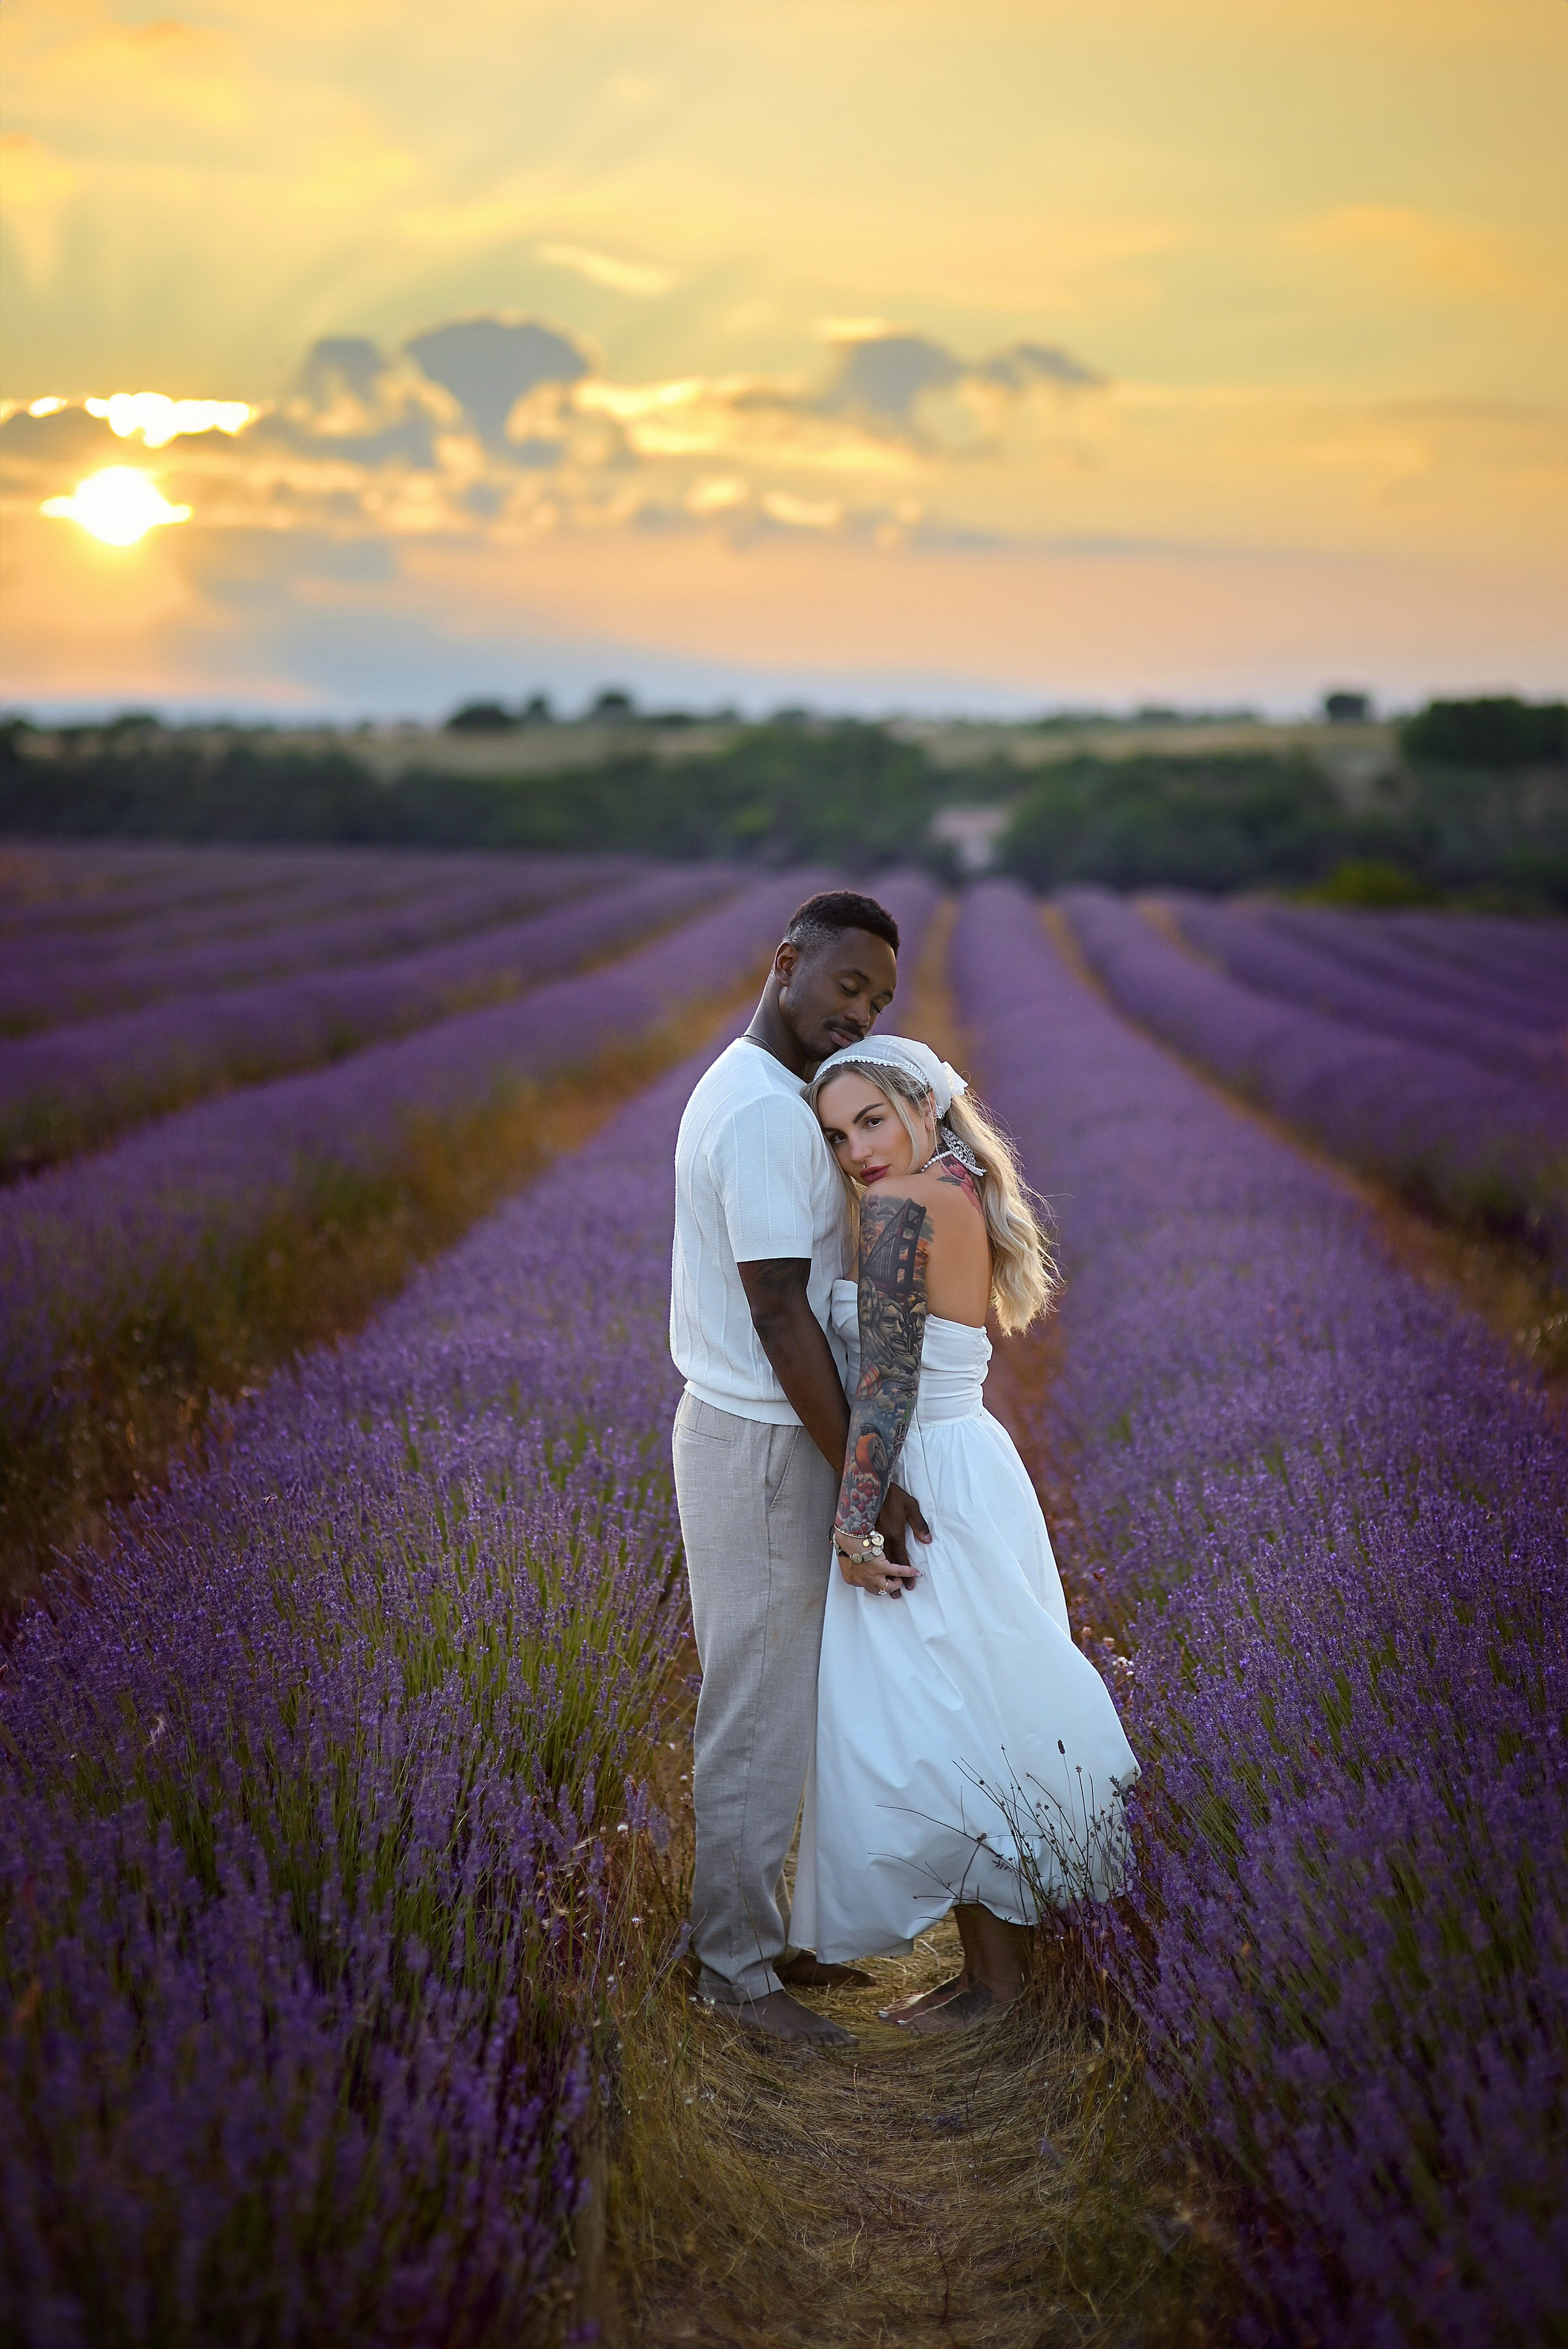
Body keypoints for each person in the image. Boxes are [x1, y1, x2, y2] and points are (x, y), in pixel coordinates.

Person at [792, 1036, 1139, 2032]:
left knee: (943, 1721)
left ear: (922, 1105)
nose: (857, 1151)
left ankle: (995, 1990)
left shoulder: (902, 1207)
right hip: (977, 1466)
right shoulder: (961, 1179)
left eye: (871, 1120)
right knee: (971, 1714)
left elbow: (888, 1386)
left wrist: (856, 1524)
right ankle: (990, 1976)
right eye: (837, 1135)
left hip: (931, 1477)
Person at [669, 891, 932, 2047]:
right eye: (846, 986)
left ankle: (750, 1936)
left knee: (776, 1699)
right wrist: (863, 1480)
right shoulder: (771, 1118)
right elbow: (779, 1312)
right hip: (764, 1442)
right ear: (786, 963)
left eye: (879, 999)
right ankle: (732, 1976)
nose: (860, 1013)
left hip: (758, 1432)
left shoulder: (760, 1088)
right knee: (757, 1706)